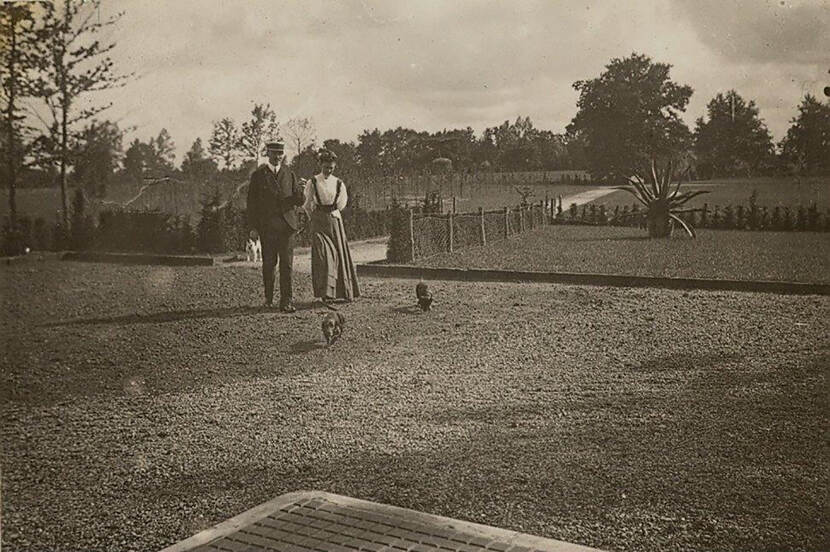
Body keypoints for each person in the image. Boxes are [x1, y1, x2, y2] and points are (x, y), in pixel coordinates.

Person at [246, 141, 306, 312]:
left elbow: (298, 201)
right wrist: (253, 227)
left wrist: (301, 192)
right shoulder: (258, 176)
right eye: (274, 153)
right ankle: (268, 298)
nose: (278, 157)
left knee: (286, 265)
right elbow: (252, 204)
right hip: (267, 228)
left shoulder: (289, 174)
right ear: (268, 154)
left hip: (287, 228)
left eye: (280, 153)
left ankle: (286, 301)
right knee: (269, 264)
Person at [304, 148, 360, 306]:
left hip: (334, 221)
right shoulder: (313, 182)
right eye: (326, 167)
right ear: (320, 165)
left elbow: (341, 204)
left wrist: (331, 213)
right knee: (324, 256)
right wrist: (313, 219)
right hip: (319, 223)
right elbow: (307, 205)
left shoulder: (338, 183)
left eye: (331, 167)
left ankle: (341, 292)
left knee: (339, 256)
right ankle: (325, 293)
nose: (328, 170)